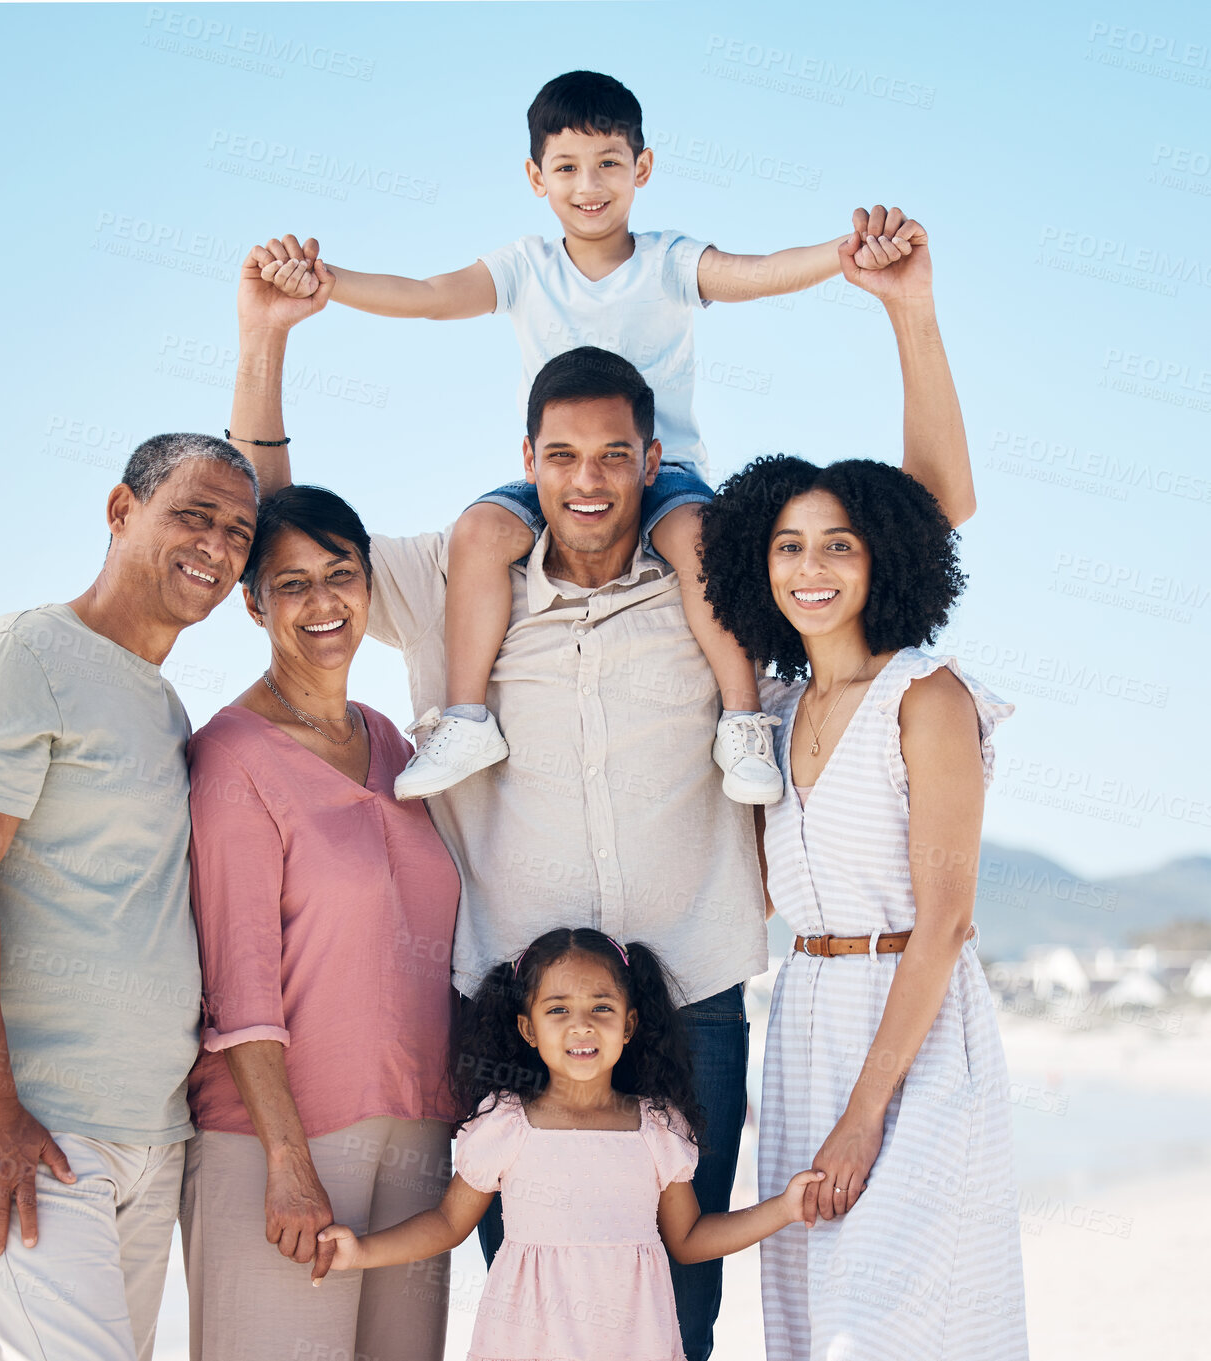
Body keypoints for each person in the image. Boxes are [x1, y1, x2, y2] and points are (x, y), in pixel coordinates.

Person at [229, 211, 972, 1360]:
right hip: (512, 1016)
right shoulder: (453, 576)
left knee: (675, 1315)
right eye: (563, 457)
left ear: (654, 456)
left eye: (617, 456)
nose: (589, 481)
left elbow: (913, 520)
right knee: (536, 1306)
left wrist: (908, 312)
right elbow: (283, 536)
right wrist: (267, 338)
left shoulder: (721, 574)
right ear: (526, 459)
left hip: (693, 1002)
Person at [262, 69, 911, 805]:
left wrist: (843, 254)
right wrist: (328, 280)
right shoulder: (525, 268)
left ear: (643, 168)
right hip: (558, 478)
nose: (588, 184)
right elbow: (432, 297)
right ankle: (468, 718)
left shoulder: (667, 261)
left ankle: (741, 719)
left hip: (662, 473)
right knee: (479, 528)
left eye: (608, 163)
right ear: (536, 177)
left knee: (698, 533)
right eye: (567, 167)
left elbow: (752, 273)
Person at [0, 434, 258, 1361]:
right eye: (193, 514)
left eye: (238, 531)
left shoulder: (165, 706)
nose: (216, 545)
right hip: (32, 1122)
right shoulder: (22, 655)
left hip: (148, 1129)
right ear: (119, 510)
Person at [699, 453, 1029, 1356]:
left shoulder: (926, 696)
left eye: (838, 546)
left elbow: (947, 917)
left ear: (883, 556)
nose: (812, 569)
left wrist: (864, 1113)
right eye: (788, 546)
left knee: (899, 1324)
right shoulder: (772, 706)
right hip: (805, 1022)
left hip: (913, 1030)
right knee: (813, 1320)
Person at [180, 484, 461, 1361]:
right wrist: (289, 1163)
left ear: (369, 588)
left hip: (419, 1131)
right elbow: (239, 984)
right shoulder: (231, 759)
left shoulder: (392, 742)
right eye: (291, 583)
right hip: (280, 1140)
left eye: (339, 574)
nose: (321, 602)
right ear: (254, 602)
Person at [311, 927, 825, 1361]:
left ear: (628, 1025)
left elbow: (689, 1240)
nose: (581, 1024)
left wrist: (783, 1208)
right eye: (558, 1009)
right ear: (527, 1029)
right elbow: (447, 1223)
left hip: (634, 1342)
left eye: (601, 1007)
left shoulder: (656, 1129)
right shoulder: (506, 1125)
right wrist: (361, 1253)